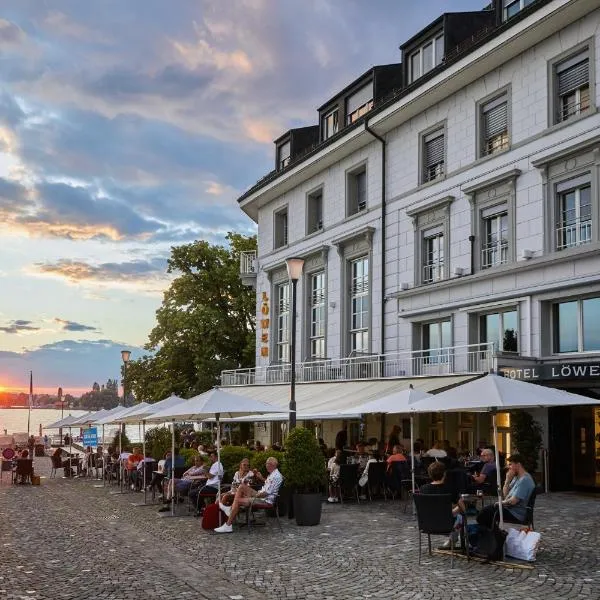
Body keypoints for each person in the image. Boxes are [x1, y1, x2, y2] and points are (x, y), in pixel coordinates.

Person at [215, 457, 283, 533]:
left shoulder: (276, 476)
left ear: (274, 465)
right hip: (261, 496)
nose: (267, 466)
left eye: (269, 464)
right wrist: (261, 478)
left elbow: (266, 494)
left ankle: (228, 522)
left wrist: (253, 495)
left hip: (264, 500)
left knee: (237, 497)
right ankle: (228, 522)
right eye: (266, 464)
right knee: (241, 488)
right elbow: (268, 485)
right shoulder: (272, 474)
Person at [477, 453, 535, 529]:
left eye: (511, 464)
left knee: (485, 513)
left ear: (518, 464)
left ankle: (494, 535)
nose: (509, 467)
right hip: (510, 509)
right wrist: (507, 480)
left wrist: (500, 503)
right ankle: (493, 533)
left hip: (516, 513)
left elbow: (513, 501)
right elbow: (505, 495)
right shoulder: (516, 477)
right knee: (484, 513)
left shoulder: (525, 480)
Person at [420, 461, 466, 547]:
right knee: (460, 516)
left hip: (427, 524)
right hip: (447, 525)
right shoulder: (450, 489)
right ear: (444, 474)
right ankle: (452, 540)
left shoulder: (423, 489)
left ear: (430, 474)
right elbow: (463, 508)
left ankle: (450, 541)